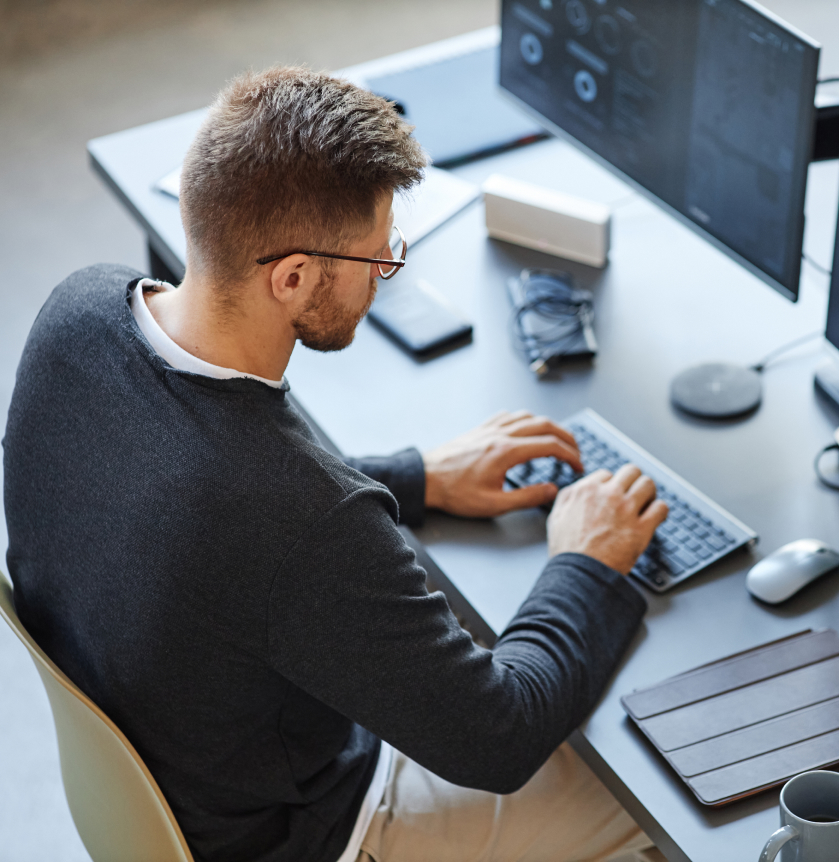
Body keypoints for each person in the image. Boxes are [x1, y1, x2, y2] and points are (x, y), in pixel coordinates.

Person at [2, 66, 668, 862]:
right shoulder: (302, 522)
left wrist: (418, 475)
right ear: (291, 277)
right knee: (656, 788)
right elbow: (499, 736)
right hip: (311, 834)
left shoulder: (78, 312)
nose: (386, 272)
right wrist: (585, 563)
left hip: (190, 775)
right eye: (377, 259)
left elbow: (196, 483)